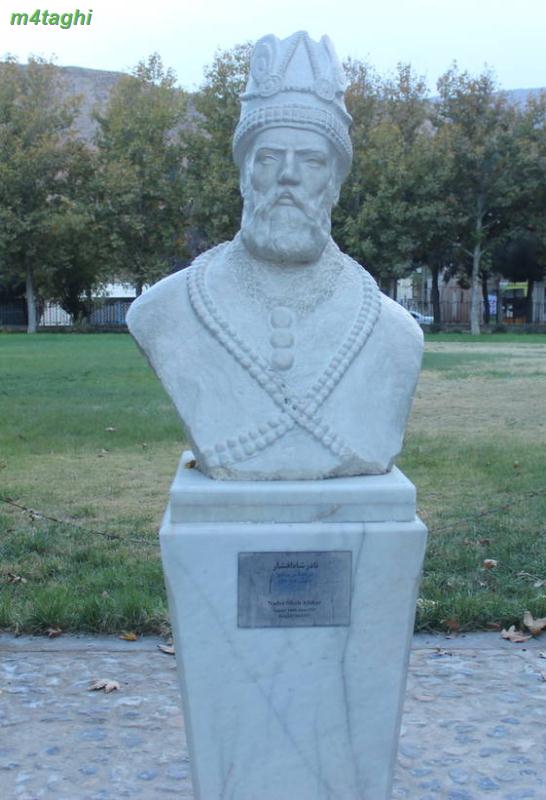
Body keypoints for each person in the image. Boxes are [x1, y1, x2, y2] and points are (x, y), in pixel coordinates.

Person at [127, 31, 423, 480]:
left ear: (335, 183)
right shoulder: (164, 311)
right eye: (268, 157)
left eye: (311, 160)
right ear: (244, 175)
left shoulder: (395, 332)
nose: (288, 175)